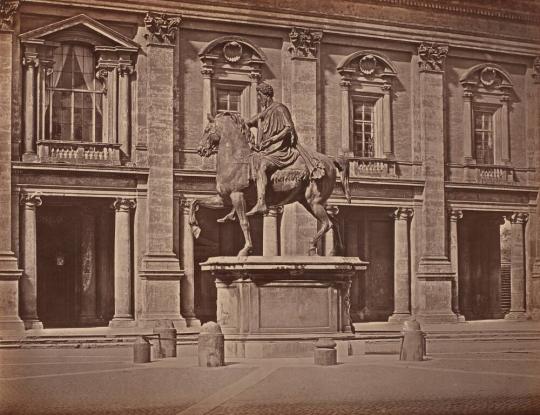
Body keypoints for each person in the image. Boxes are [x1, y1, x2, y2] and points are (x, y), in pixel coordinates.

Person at [245, 82, 300, 216]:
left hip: (280, 149)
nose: (259, 99)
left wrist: (273, 139)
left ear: (266, 96)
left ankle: (261, 202)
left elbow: (289, 128)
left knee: (262, 166)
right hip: (266, 150)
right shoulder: (265, 112)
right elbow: (248, 122)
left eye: (260, 96)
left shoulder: (280, 108)